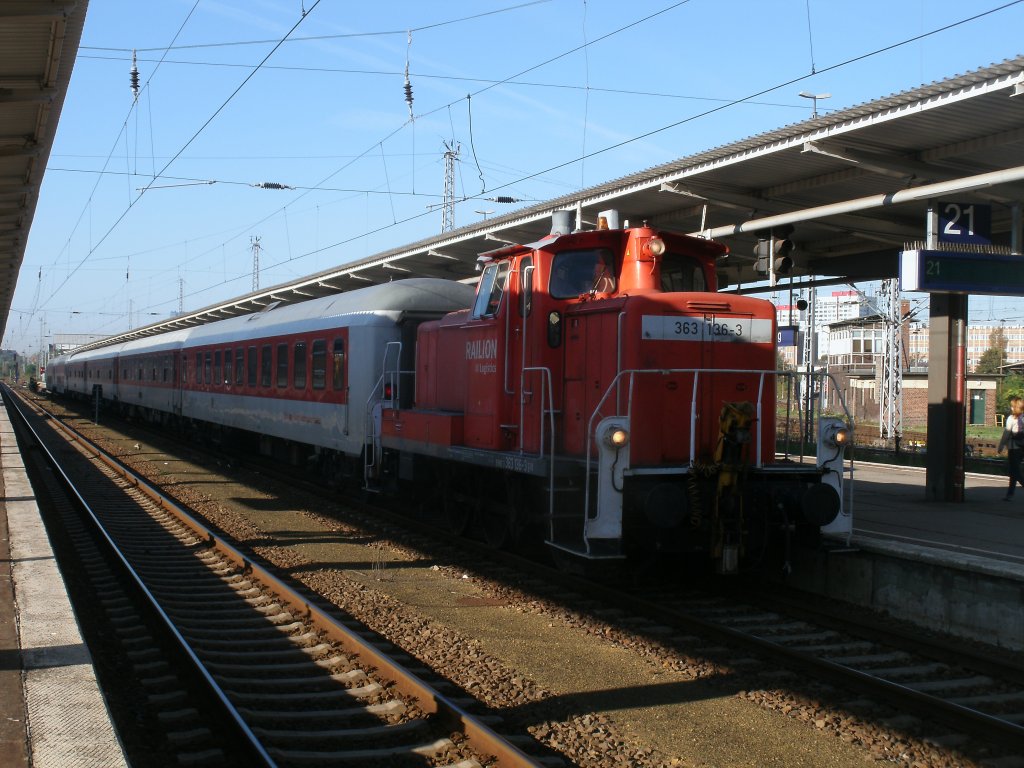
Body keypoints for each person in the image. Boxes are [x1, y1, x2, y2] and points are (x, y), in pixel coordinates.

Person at [997, 396, 1024, 500]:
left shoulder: (1011, 418)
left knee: (1015, 471)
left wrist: (1001, 445)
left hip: (1014, 447)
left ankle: (1010, 494)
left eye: (1012, 406)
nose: (1011, 408)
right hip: (1022, 446)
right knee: (1014, 470)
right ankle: (1010, 494)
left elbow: (1007, 433)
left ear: (1016, 407)